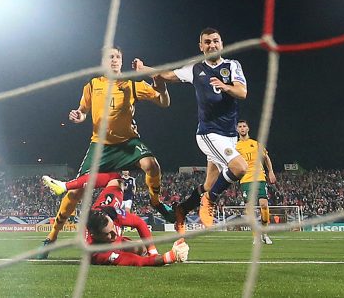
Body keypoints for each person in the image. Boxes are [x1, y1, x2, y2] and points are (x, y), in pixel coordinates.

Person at [37, 46, 174, 259]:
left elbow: (164, 102)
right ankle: (51, 238)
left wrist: (161, 87)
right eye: (110, 57)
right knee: (75, 193)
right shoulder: (93, 85)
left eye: (118, 56)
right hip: (100, 147)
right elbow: (82, 111)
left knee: (152, 165)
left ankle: (155, 201)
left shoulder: (132, 84)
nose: (114, 60)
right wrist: (78, 116)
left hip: (127, 143)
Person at [134, 27, 248, 232]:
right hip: (209, 133)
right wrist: (144, 69)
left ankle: (182, 210)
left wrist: (225, 86)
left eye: (215, 41)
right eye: (207, 42)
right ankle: (210, 201)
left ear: (221, 43)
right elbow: (166, 75)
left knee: (208, 184)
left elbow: (242, 92)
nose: (212, 45)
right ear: (201, 46)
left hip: (229, 135)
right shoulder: (195, 69)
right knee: (239, 168)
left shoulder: (232, 66)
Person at [85, 178, 189, 266]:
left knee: (142, 248)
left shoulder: (112, 211)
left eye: (113, 228)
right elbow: (139, 261)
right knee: (139, 250)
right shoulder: (97, 254)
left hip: (113, 234)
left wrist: (152, 252)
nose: (114, 233)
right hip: (109, 247)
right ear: (95, 235)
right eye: (108, 233)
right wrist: (171, 256)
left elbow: (139, 223)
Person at [236, 119, 276, 244]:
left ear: (248, 129)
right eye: (240, 126)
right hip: (245, 179)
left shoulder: (256, 144)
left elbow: (266, 157)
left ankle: (265, 233)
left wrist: (271, 171)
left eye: (244, 126)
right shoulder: (235, 146)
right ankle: (256, 236)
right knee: (249, 208)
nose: (242, 128)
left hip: (259, 177)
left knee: (264, 205)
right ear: (237, 129)